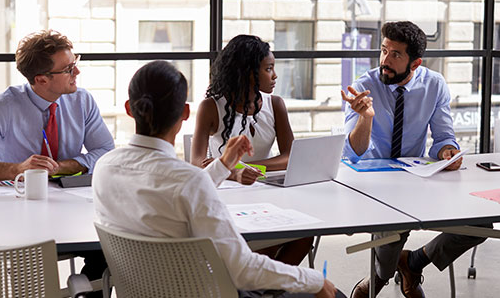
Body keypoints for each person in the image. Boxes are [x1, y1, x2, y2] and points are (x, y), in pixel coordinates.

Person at [93, 61, 340, 298]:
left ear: (128, 108)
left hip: (144, 292)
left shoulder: (105, 168)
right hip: (204, 292)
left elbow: (183, 191)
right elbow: (242, 270)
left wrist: (223, 165)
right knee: (333, 294)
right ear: (185, 113)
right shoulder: (187, 181)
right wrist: (315, 280)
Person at [342, 21, 486, 298]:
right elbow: (354, 151)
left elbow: (444, 136)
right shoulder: (363, 86)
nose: (385, 60)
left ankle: (414, 260)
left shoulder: (434, 85)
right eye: (384, 50)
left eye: (395, 55)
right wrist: (365, 118)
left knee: (478, 226)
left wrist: (447, 152)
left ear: (415, 62)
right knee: (392, 225)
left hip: (415, 177)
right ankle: (380, 278)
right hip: (373, 182)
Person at [0, 29, 114, 295]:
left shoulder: (82, 100)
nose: (77, 73)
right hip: (21, 214)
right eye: (68, 69)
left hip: (73, 208)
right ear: (41, 79)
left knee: (106, 249)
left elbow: (106, 151)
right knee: (32, 274)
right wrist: (17, 169)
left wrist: (67, 165)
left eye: (75, 64)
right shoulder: (3, 107)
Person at [191, 34, 313, 267]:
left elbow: (290, 157)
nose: (275, 76)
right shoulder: (210, 107)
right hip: (227, 196)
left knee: (305, 235)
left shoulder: (275, 104)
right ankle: (259, 284)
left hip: (267, 194)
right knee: (262, 242)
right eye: (268, 69)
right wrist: (233, 172)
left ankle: (263, 287)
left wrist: (247, 167)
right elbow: (197, 163)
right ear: (247, 72)